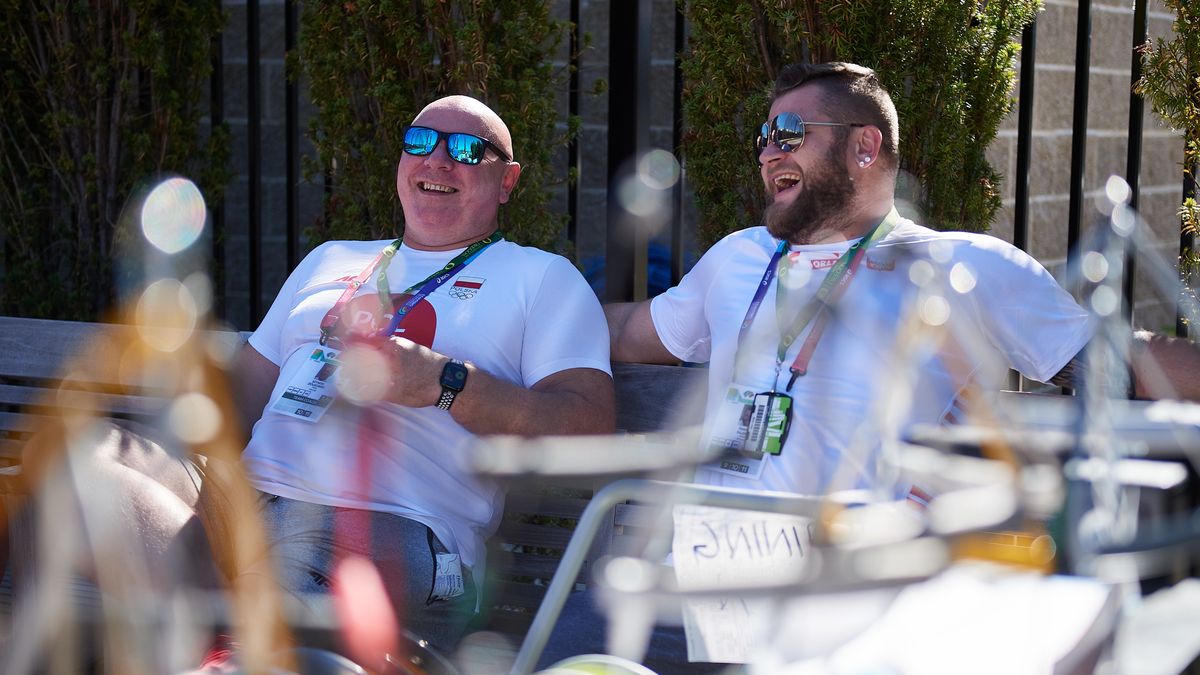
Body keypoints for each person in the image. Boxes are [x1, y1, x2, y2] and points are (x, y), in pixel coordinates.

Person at [538, 61, 1200, 672]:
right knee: (560, 654)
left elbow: (1128, 362)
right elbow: (630, 332)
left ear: (865, 146)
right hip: (700, 579)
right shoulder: (738, 257)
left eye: (790, 131)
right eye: (764, 136)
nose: (769, 150)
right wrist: (519, 315)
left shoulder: (961, 267)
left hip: (846, 591)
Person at [21, 94, 615, 666]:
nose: (438, 159)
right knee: (82, 457)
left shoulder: (541, 279)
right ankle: (236, 640)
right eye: (420, 141)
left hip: (387, 519)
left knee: (294, 555)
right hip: (244, 501)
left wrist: (445, 381)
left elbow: (588, 425)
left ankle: (231, 641)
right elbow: (243, 396)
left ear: (507, 180)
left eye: (466, 148)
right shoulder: (331, 258)